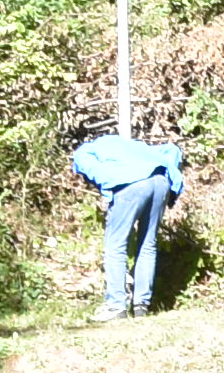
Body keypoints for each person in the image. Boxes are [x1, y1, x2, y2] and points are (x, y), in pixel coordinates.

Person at [69, 132, 188, 322]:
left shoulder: (85, 151)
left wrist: (108, 186)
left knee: (115, 245)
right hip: (161, 181)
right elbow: (172, 150)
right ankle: (141, 306)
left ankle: (116, 306)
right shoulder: (136, 146)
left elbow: (90, 168)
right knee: (148, 244)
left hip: (130, 184)